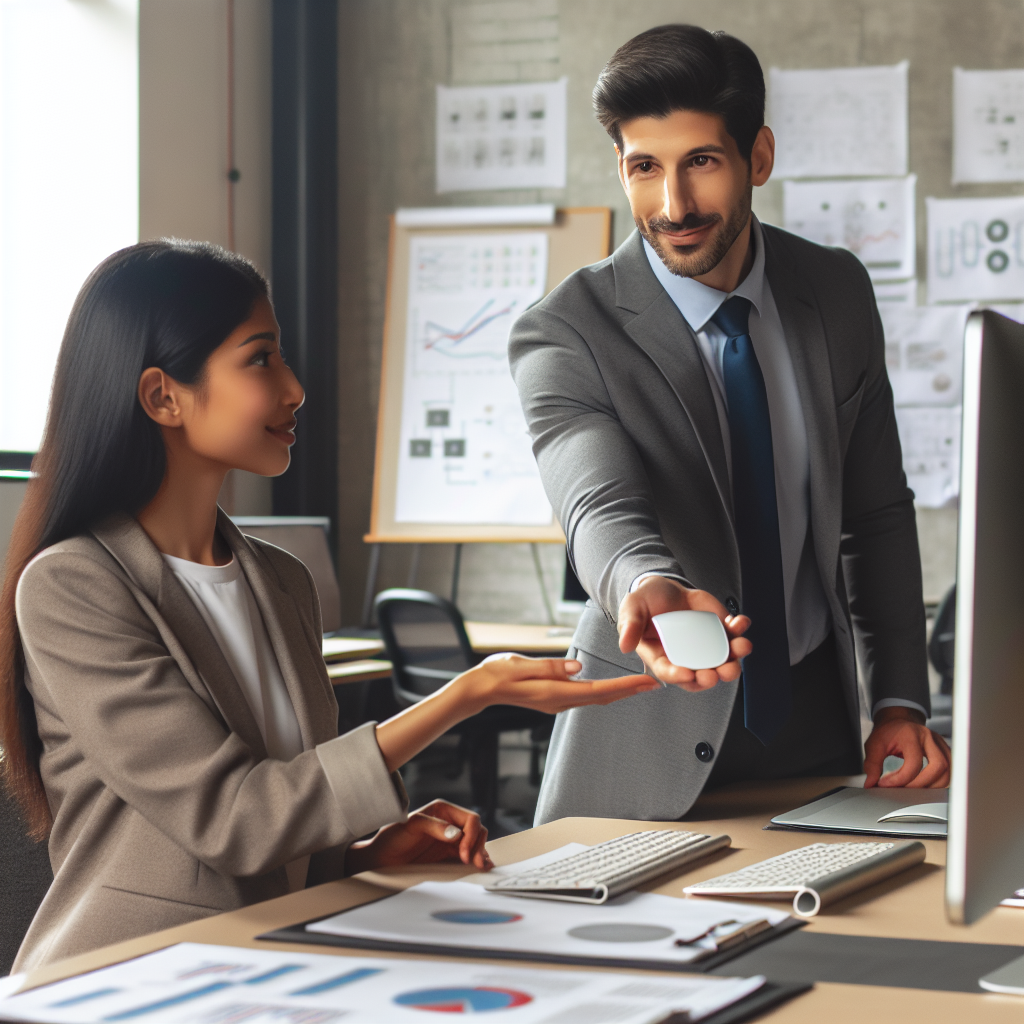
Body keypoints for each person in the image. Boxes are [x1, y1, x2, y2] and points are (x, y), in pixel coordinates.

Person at [0, 240, 656, 971]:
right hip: (131, 975)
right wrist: (463, 696)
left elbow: (283, 835)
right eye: (261, 359)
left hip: (278, 960)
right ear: (164, 396)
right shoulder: (72, 587)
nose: (295, 388)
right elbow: (235, 820)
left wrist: (365, 855)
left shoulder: (280, 580)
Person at [508, 24, 951, 825]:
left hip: (817, 724)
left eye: (701, 163)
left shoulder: (836, 290)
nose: (673, 206)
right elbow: (596, 500)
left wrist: (899, 700)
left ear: (759, 158)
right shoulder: (565, 330)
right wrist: (644, 583)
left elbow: (875, 512)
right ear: (622, 167)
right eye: (645, 168)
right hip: (650, 726)